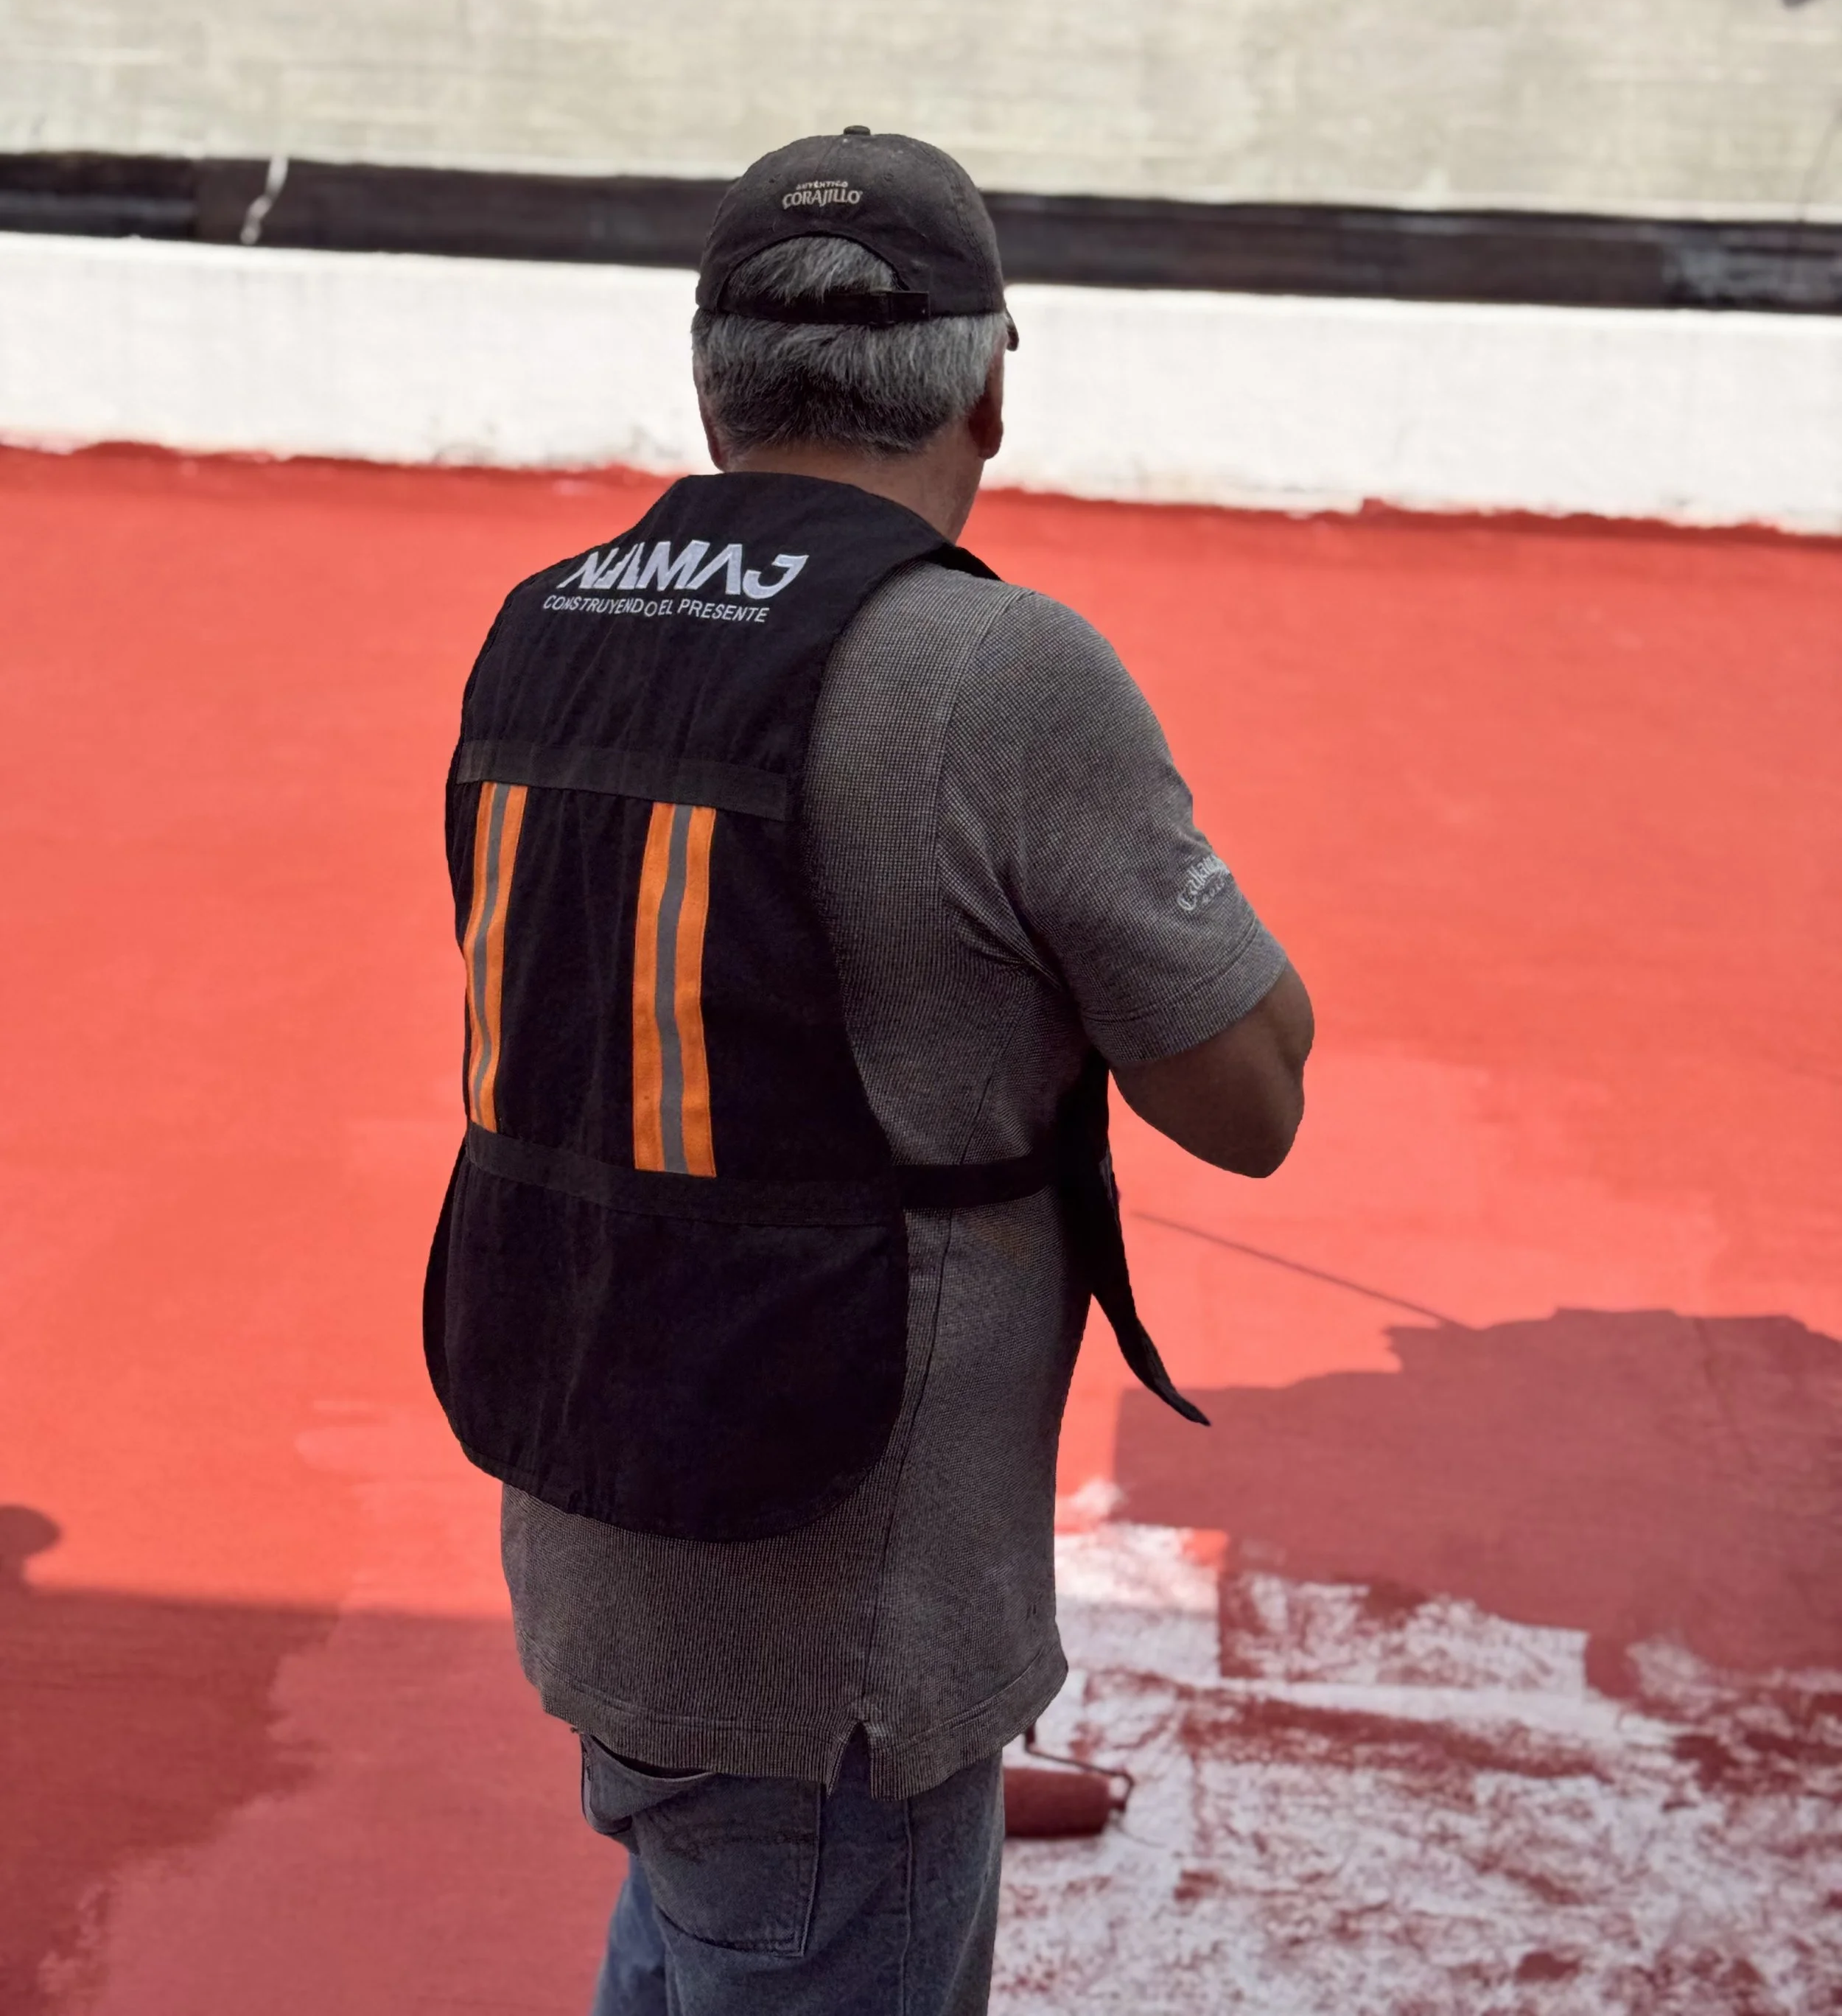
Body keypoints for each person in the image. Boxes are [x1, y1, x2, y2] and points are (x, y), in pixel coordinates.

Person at [424, 128, 1313, 2016]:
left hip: (606, 1484)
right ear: (986, 387)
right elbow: (1248, 1102)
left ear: (706, 377)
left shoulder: (543, 628)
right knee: (790, 1916)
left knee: (695, 1915)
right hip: (846, 1603)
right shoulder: (995, 673)